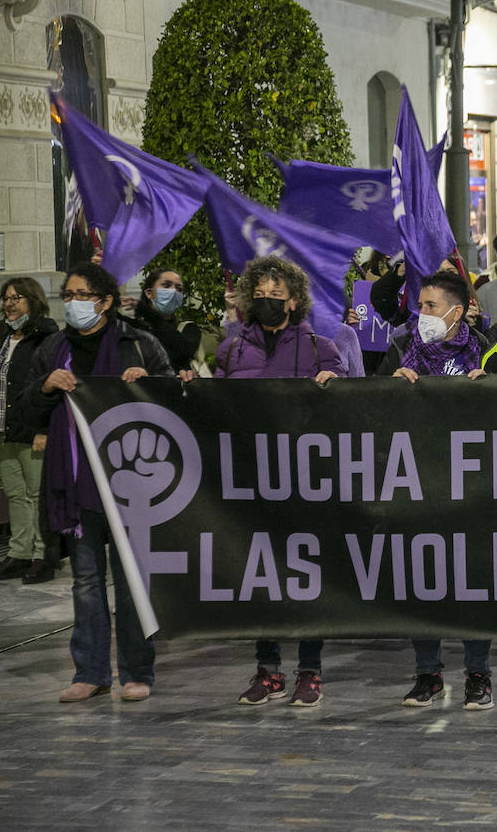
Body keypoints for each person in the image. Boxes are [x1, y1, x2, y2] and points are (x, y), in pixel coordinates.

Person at [17, 261, 174, 704]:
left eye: (81, 296)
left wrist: (149, 385)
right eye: (67, 296)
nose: (72, 304)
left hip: (130, 485)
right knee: (85, 581)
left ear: (104, 302)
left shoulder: (138, 343)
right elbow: (26, 410)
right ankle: (90, 671)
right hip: (76, 483)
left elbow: (176, 404)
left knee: (131, 583)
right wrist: (46, 387)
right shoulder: (52, 348)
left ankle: (136, 672)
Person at [218, 257, 345, 708]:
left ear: (295, 300)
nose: (269, 302)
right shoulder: (231, 352)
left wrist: (337, 387)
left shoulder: (319, 349)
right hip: (252, 486)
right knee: (262, 581)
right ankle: (267, 670)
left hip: (306, 485)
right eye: (262, 295)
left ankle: (310, 671)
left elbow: (354, 414)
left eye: (278, 296)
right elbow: (211, 412)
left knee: (309, 580)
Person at [382, 271, 497, 710]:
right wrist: (394, 388)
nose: (422, 314)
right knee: (422, 580)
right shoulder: (402, 349)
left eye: (431, 306)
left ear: (457, 309)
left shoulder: (487, 352)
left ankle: (478, 674)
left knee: (472, 584)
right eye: (420, 306)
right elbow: (372, 407)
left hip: (473, 487)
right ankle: (428, 674)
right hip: (419, 482)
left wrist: (483, 395)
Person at [0, 278, 60, 584]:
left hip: (31, 429)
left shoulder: (45, 335)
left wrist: (43, 429)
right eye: (6, 298)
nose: (9, 303)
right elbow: (4, 380)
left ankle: (42, 556)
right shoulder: (0, 334)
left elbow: (48, 386)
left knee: (36, 494)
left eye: (16, 298)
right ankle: (19, 553)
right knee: (16, 495)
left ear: (33, 300)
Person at [124, 267, 201, 379]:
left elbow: (185, 350)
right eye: (166, 286)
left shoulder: (187, 328)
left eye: (179, 289)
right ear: (149, 293)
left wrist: (148, 313)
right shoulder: (131, 327)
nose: (173, 291)